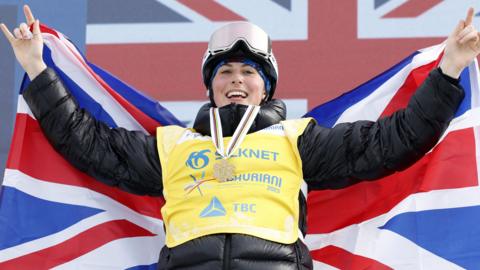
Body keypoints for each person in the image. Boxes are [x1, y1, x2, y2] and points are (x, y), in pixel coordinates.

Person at [1, 4, 479, 270]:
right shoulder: (172, 146)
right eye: (224, 71)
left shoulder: (299, 140)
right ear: (210, 84)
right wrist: (38, 69)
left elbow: (393, 141)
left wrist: (450, 68)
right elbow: (87, 144)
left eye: (248, 71)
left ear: (265, 85)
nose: (235, 80)